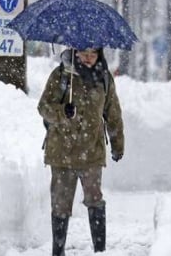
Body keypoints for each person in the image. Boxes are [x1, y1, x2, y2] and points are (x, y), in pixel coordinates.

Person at [38, 47, 124, 255]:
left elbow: (113, 114)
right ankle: (58, 251)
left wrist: (117, 144)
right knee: (60, 205)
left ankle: (100, 250)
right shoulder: (61, 76)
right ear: (75, 54)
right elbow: (43, 107)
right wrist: (61, 112)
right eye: (83, 54)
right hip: (61, 153)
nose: (87, 59)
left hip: (92, 153)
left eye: (92, 55)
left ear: (99, 56)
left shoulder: (104, 79)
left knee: (95, 200)